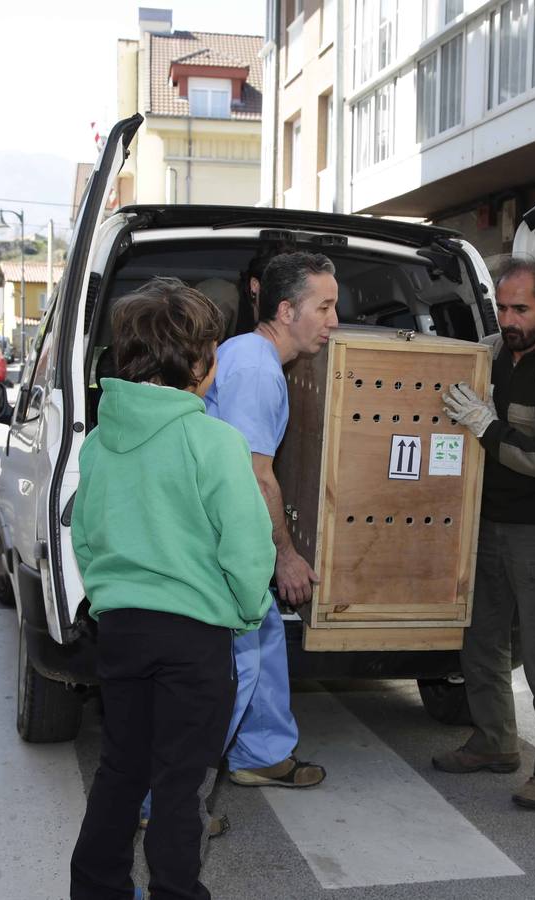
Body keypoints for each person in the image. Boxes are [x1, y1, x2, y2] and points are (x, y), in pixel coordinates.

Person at [68, 278, 275, 900]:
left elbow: (84, 535)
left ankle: (97, 889)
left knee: (121, 769)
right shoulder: (213, 440)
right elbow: (247, 544)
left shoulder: (100, 442)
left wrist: (107, 600)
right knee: (179, 783)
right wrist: (245, 610)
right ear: (197, 362)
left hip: (122, 628)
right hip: (194, 637)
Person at [431, 257, 535, 811]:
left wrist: (488, 426)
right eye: (501, 307)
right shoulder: (494, 354)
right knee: (480, 641)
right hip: (488, 522)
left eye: (520, 308)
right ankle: (496, 741)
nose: (508, 319)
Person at [207, 250, 339, 788]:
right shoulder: (258, 371)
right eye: (324, 307)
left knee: (260, 642)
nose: (334, 321)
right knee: (229, 671)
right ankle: (161, 801)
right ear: (286, 311)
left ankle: (262, 753)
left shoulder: (248, 353)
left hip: (230, 537)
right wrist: (285, 554)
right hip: (223, 543)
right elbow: (255, 475)